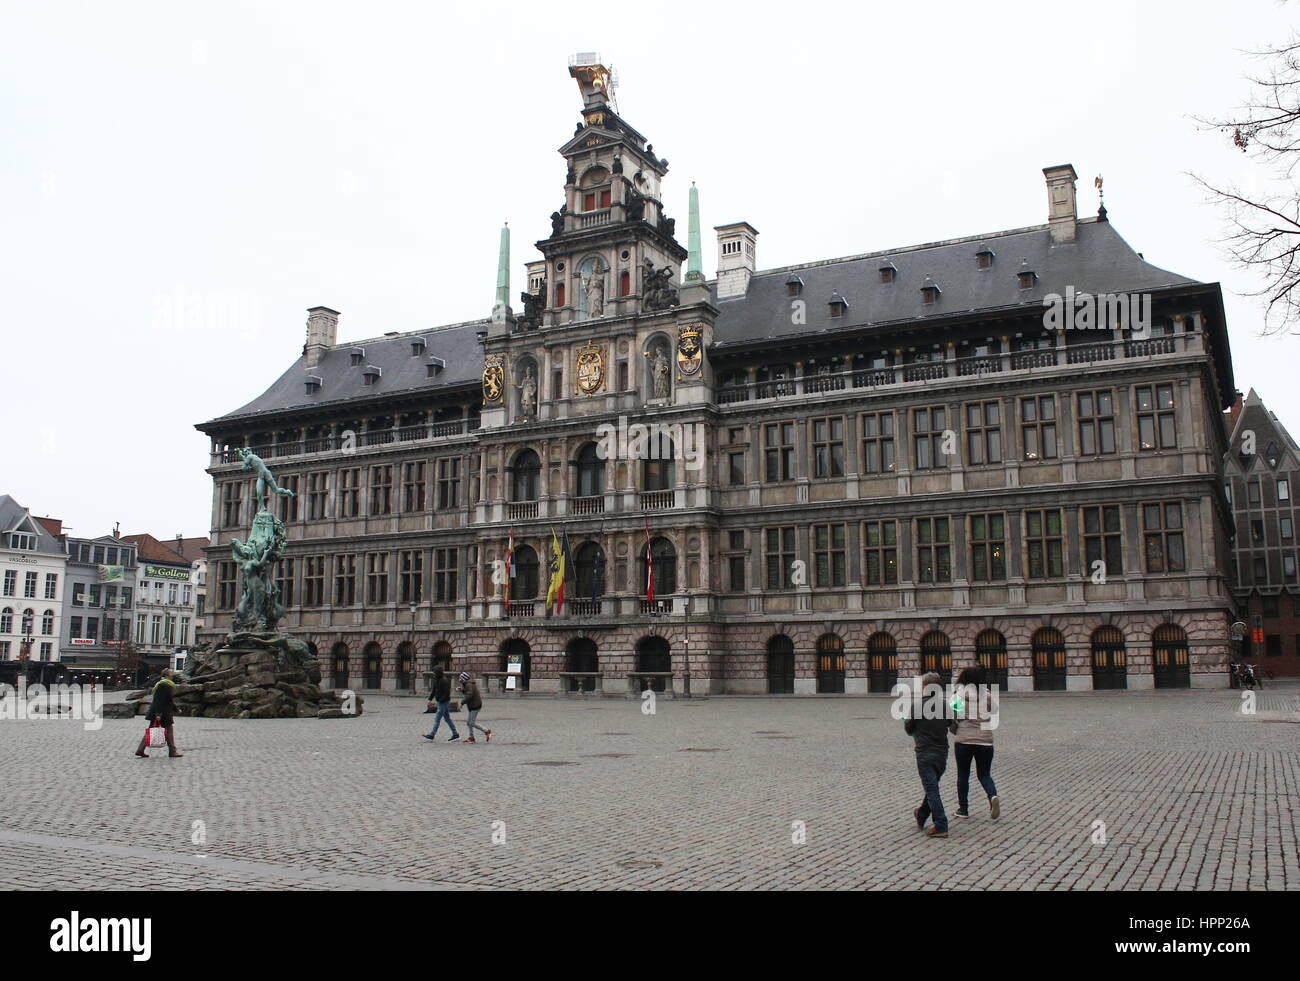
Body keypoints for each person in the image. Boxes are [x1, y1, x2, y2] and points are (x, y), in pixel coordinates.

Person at [904, 671, 957, 838]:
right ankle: (921, 815)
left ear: (924, 687)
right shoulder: (944, 705)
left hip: (924, 752)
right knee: (932, 786)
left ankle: (941, 825)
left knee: (932, 789)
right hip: (942, 752)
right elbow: (951, 725)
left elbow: (909, 729)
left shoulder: (917, 705)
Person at [952, 666, 1000, 820]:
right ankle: (992, 796)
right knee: (984, 774)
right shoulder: (988, 695)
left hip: (964, 740)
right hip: (985, 740)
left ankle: (963, 809)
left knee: (963, 775)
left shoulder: (957, 696)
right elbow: (993, 714)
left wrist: (956, 729)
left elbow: (953, 718)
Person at [134, 668, 183, 758]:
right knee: (169, 731)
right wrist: (158, 714)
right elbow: (159, 700)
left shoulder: (165, 684)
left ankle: (140, 750)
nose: (172, 676)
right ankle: (172, 751)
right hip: (162, 713)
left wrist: (176, 709)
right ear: (167, 676)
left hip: (160, 712)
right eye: (171, 674)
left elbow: (168, 700)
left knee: (152, 730)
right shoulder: (164, 685)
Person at [422, 666, 460, 742]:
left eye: (435, 672)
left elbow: (446, 693)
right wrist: (430, 699)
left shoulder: (444, 681)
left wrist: (439, 701)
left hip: (444, 702)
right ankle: (455, 734)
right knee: (447, 719)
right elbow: (434, 690)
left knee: (437, 718)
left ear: (438, 673)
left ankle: (432, 735)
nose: (434, 674)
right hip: (441, 702)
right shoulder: (437, 680)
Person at [458, 671, 491, 743]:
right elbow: (468, 693)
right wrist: (462, 690)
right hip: (473, 705)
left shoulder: (469, 685)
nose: (460, 681)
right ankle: (471, 737)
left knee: (471, 723)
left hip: (475, 705)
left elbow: (469, 695)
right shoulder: (468, 684)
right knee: (468, 722)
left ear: (464, 679)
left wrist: (462, 703)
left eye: (461, 679)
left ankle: (486, 731)